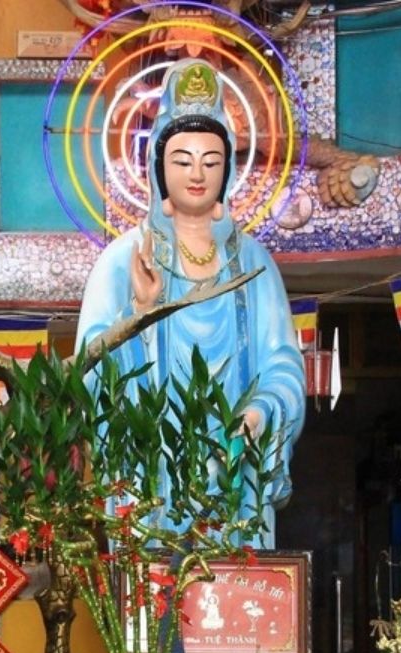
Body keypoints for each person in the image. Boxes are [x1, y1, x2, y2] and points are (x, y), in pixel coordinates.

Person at [75, 58, 306, 545]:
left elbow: (283, 364)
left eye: (210, 161)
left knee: (236, 607)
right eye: (182, 160)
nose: (197, 174)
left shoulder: (254, 263)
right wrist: (138, 315)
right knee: (156, 608)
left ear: (228, 170)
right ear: (159, 168)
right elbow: (89, 366)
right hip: (152, 475)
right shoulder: (123, 261)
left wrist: (261, 412)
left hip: (234, 468)